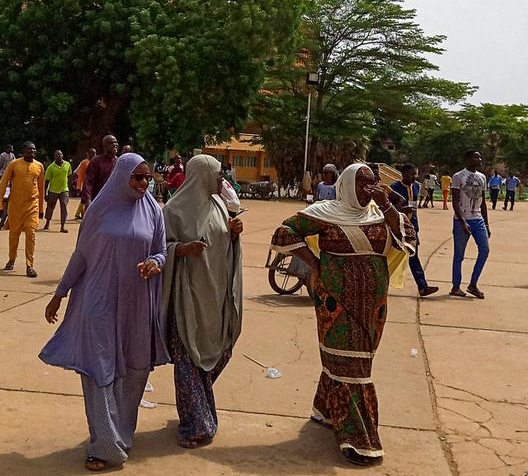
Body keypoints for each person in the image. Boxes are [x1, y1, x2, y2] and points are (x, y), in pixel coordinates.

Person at [270, 163, 416, 466]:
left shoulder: (380, 213)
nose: (368, 190)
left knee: (354, 361)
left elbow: (409, 239)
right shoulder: (326, 212)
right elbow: (285, 232)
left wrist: (387, 203)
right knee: (352, 368)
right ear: (348, 185)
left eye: (372, 183)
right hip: (336, 303)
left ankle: (325, 409)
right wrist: (315, 263)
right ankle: (359, 438)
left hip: (373, 305)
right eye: (362, 184)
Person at [39, 153, 168, 471]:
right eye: (137, 177)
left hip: (136, 304)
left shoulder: (153, 210)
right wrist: (59, 293)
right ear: (123, 176)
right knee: (98, 370)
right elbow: (81, 255)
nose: (142, 183)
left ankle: (121, 435)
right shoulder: (98, 209)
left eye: (147, 178)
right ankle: (103, 446)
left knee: (136, 371)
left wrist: (156, 263)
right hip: (98, 301)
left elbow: (161, 250)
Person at [162, 154, 244, 449]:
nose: (222, 179)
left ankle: (198, 406)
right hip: (186, 296)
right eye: (218, 173)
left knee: (220, 352)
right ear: (202, 174)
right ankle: (196, 424)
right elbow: (160, 249)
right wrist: (181, 250)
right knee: (186, 358)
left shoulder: (220, 206)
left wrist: (235, 234)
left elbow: (224, 245)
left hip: (216, 293)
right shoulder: (173, 210)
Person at [0, 141, 45, 277]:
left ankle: (30, 265)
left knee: (31, 233)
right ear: (23, 151)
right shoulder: (14, 164)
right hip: (16, 207)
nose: (32, 152)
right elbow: (3, 183)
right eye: (29, 150)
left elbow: (41, 189)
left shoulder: (39, 166)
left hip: (32, 206)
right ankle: (12, 259)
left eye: (34, 150)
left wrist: (41, 209)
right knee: (14, 235)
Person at [390, 164, 439, 297]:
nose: (414, 176)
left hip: (412, 227)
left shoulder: (417, 186)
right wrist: (402, 210)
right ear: (403, 174)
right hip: (396, 226)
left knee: (413, 256)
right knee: (389, 255)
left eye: (415, 174)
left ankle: (423, 286)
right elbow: (388, 208)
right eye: (411, 174)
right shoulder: (394, 188)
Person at [451, 150, 489, 299]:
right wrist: (462, 222)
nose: (479, 159)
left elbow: (483, 201)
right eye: (475, 156)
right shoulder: (458, 176)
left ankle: (473, 284)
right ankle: (455, 286)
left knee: (484, 250)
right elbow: (455, 201)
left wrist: (486, 224)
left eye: (480, 156)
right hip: (461, 220)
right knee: (459, 255)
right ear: (467, 158)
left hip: (478, 218)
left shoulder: (482, 177)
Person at [43, 149, 72, 233]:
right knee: (50, 207)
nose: (60, 156)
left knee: (64, 207)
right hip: (53, 190)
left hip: (64, 190)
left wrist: (69, 188)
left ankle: (62, 226)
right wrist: (46, 193)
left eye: (61, 154)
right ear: (55, 157)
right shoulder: (51, 167)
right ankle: (47, 222)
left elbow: (69, 176)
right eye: (58, 155)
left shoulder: (67, 164)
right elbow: (47, 181)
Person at [84, 135, 119, 202]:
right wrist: (88, 199)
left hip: (115, 201)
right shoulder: (96, 161)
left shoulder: (120, 162)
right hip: (99, 200)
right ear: (105, 146)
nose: (114, 144)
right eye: (111, 143)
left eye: (116, 142)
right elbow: (88, 182)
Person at [73, 148, 96, 220]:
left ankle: (79, 213)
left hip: (95, 184)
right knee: (86, 200)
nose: (94, 155)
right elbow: (79, 174)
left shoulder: (96, 162)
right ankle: (86, 215)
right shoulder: (84, 163)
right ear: (88, 154)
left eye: (95, 153)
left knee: (85, 200)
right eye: (92, 153)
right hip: (86, 184)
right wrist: (78, 187)